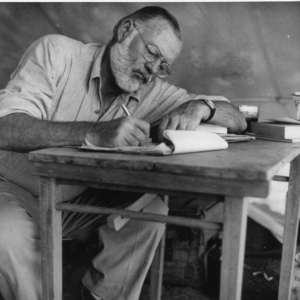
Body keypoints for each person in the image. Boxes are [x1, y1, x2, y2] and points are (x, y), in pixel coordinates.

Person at [0, 6, 247, 300]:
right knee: (7, 230)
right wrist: (91, 132)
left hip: (75, 200)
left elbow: (239, 119)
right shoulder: (56, 52)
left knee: (151, 211)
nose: (153, 70)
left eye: (164, 65)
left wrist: (202, 107)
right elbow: (7, 127)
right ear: (125, 30)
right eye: (152, 53)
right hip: (14, 188)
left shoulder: (153, 90)